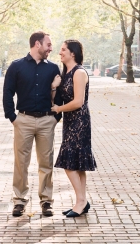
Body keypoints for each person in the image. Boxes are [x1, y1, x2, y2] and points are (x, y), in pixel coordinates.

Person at [2, 31, 62, 217]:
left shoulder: (53, 68)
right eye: (48, 45)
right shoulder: (16, 66)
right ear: (37, 44)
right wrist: (13, 117)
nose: (51, 49)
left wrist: (55, 118)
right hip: (24, 120)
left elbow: (58, 96)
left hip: (46, 120)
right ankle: (19, 201)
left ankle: (46, 201)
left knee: (46, 163)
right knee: (21, 162)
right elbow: (7, 92)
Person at [52, 39, 96, 218]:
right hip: (70, 122)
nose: (60, 52)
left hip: (80, 122)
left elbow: (78, 102)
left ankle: (81, 201)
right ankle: (81, 202)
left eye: (63, 50)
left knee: (69, 163)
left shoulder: (79, 73)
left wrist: (58, 109)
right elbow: (59, 100)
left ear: (73, 53)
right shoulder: (66, 73)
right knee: (77, 164)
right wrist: (54, 87)